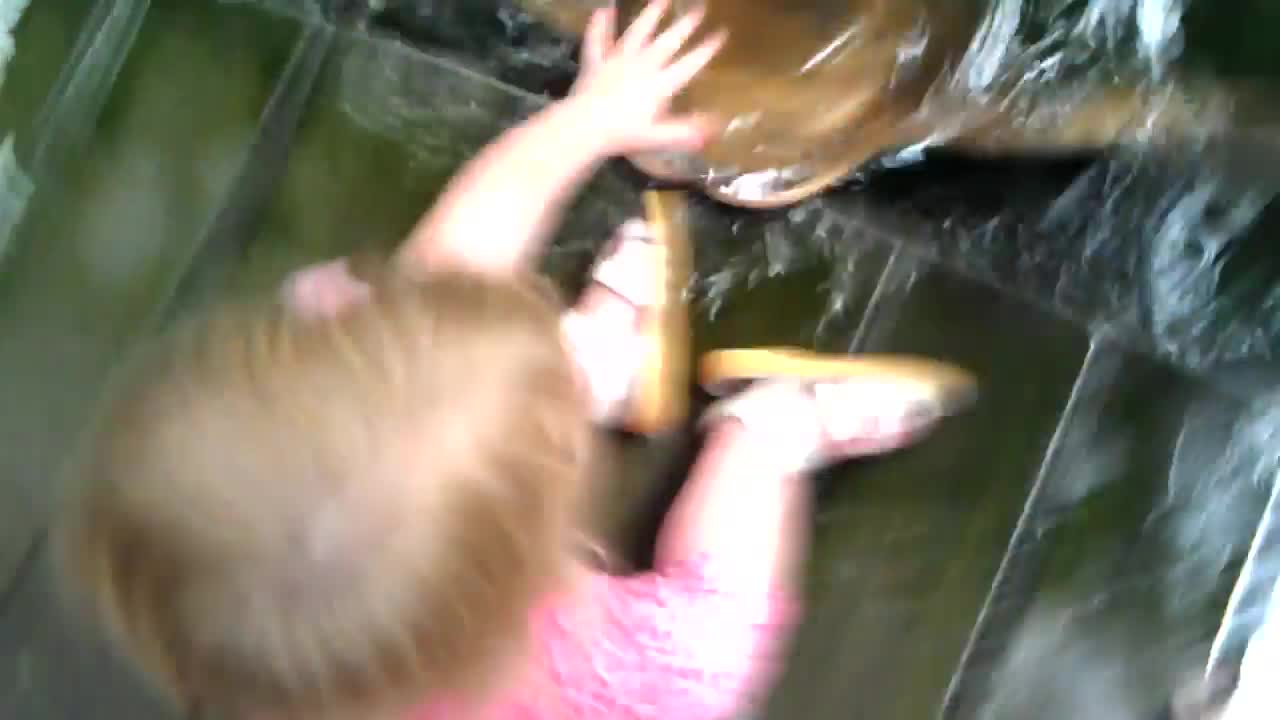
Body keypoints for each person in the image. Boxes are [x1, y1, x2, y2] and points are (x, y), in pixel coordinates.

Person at [55, 2, 977, 719]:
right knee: (706, 654)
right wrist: (593, 121)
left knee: (442, 358)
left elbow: (457, 268)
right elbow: (457, 270)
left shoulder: (260, 636)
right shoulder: (591, 678)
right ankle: (767, 430)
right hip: (555, 655)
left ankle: (593, 366)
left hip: (457, 521)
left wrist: (592, 118)